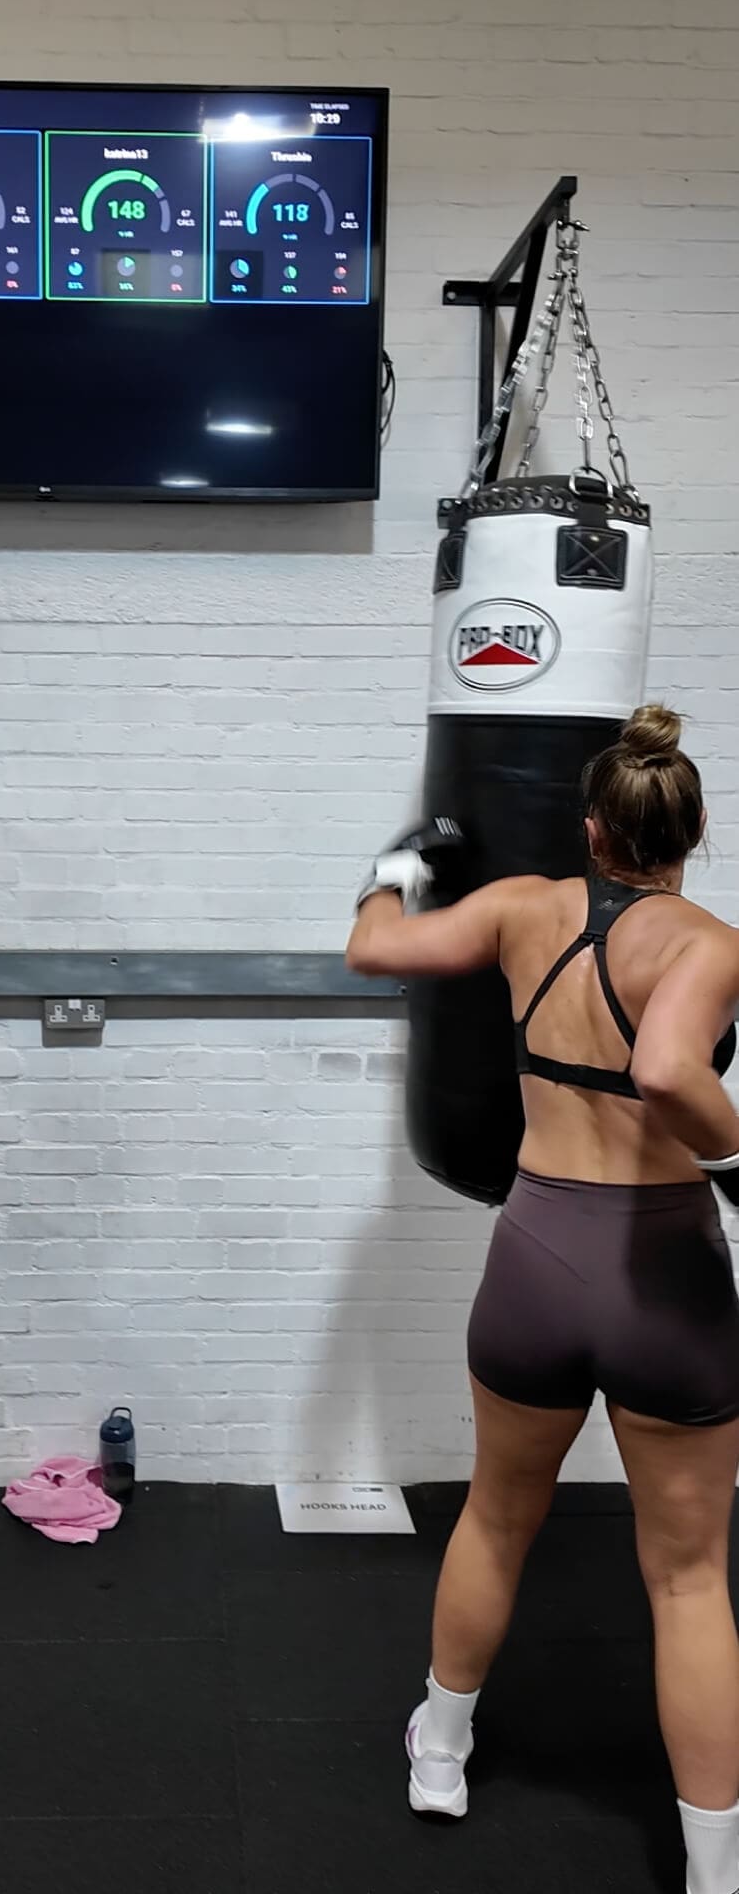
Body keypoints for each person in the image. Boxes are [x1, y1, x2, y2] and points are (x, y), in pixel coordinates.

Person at [345, 704, 739, 1894]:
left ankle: (442, 1754)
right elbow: (670, 1069)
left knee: (496, 1517)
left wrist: (393, 868)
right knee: (686, 1576)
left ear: (589, 827)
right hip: (663, 1271)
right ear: (691, 832)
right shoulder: (709, 943)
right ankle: (714, 1865)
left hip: (535, 1258)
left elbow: (374, 948)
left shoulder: (523, 909)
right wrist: (735, 1161)